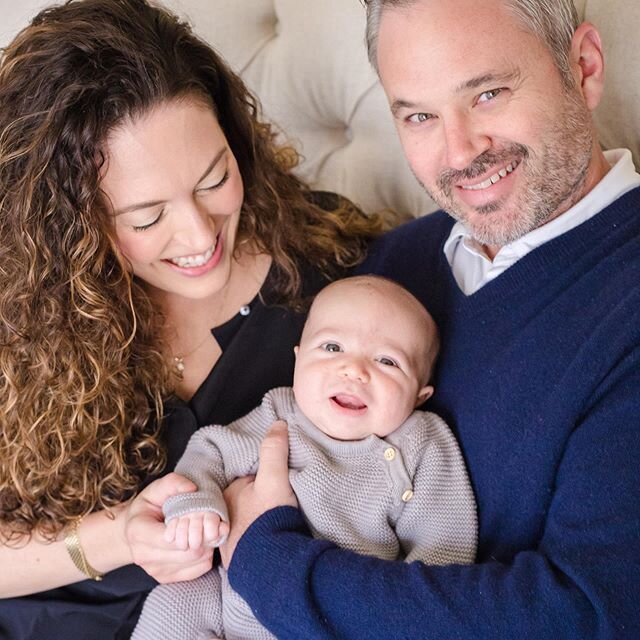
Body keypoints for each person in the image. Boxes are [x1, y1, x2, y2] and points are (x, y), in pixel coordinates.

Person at [218, 0, 640, 638]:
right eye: (419, 114)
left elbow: (589, 614)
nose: (460, 150)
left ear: (582, 66)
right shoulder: (396, 263)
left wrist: (271, 563)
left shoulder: (626, 306)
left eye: (489, 93)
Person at [0, 0, 385, 637]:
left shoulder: (323, 271)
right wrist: (120, 536)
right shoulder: (23, 312)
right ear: (69, 225)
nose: (199, 233)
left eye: (214, 179)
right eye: (147, 217)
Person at [131, 275, 477, 640]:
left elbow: (444, 552)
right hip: (232, 601)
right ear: (297, 360)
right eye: (332, 347)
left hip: (331, 620)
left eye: (387, 361)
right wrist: (195, 504)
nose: (354, 370)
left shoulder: (422, 444)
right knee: (173, 602)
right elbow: (213, 450)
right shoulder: (279, 413)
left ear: (420, 395)